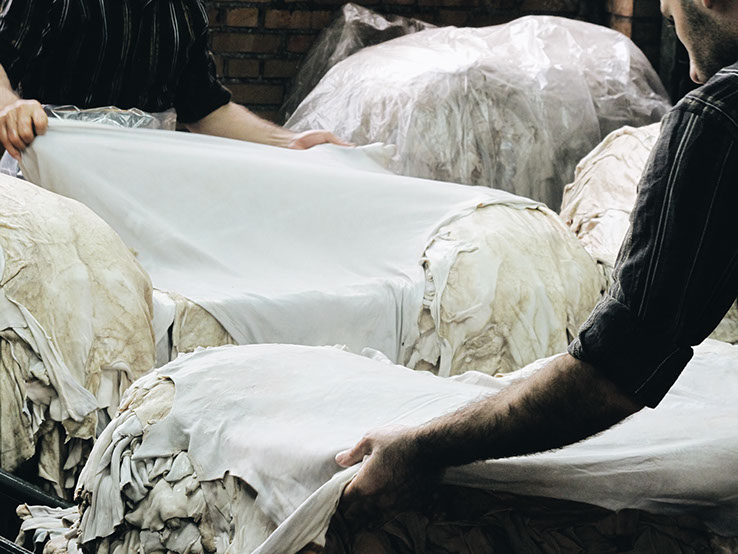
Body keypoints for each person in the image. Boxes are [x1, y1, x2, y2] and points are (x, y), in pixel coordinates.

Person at [337, 0, 738, 510]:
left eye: (669, 12)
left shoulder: (720, 116)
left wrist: (420, 448)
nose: (694, 72)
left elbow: (615, 371)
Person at [0, 0, 345, 160]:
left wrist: (289, 142)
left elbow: (205, 108)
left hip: (135, 190)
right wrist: (10, 105)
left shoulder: (185, 11)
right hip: (48, 184)